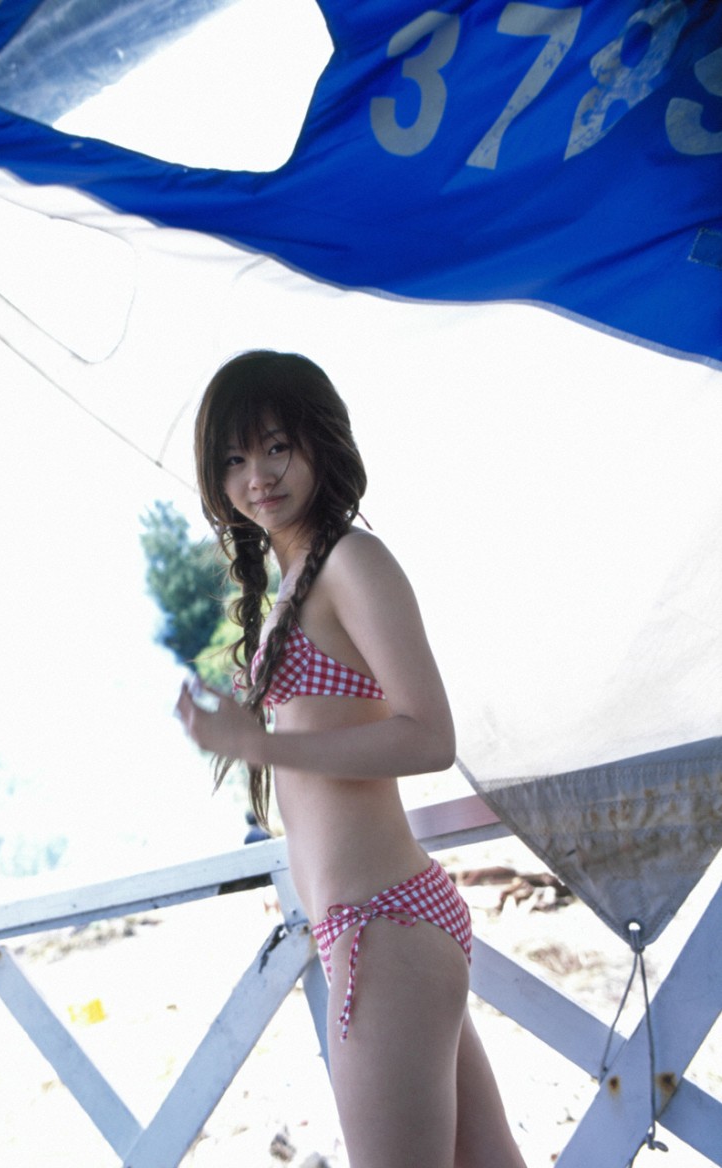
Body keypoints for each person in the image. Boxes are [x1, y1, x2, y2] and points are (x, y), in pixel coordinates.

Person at [175, 351, 526, 1168]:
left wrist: (259, 743)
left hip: (383, 927)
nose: (256, 476)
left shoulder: (351, 561)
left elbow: (428, 735)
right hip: (377, 924)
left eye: (275, 446)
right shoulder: (297, 580)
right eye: (233, 458)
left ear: (320, 441)